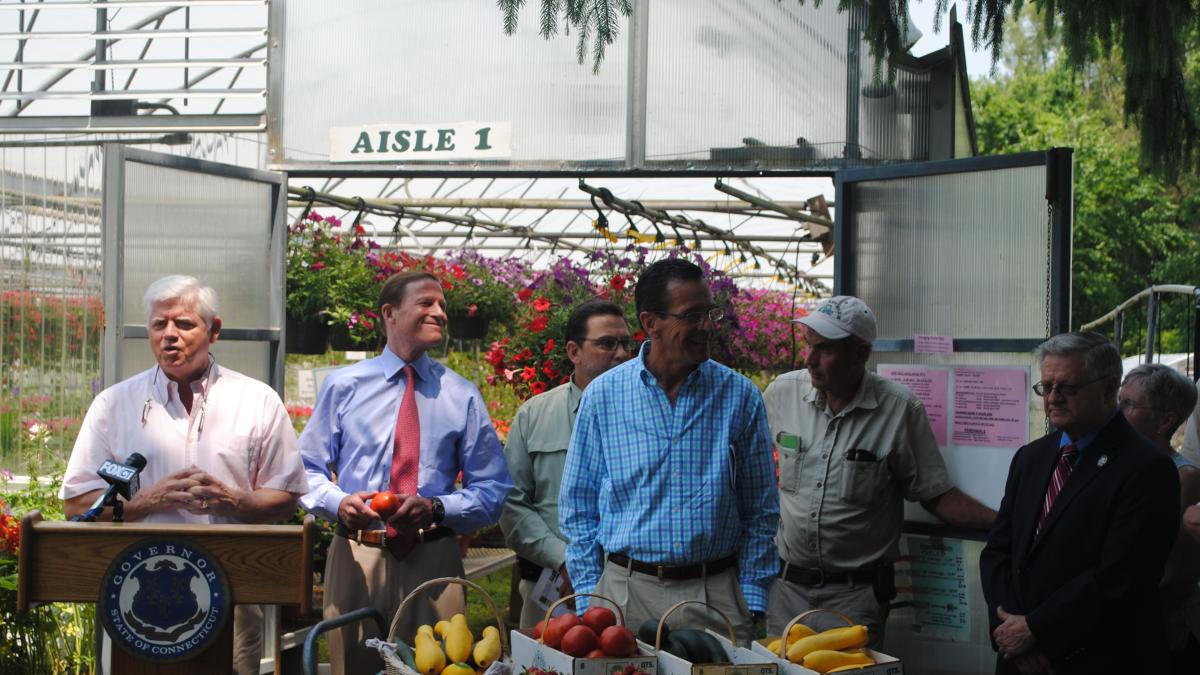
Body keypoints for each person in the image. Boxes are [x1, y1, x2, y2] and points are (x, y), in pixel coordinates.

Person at [61, 275, 310, 675]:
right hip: (134, 599)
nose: (169, 335)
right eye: (159, 325)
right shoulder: (114, 405)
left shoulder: (257, 401)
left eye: (184, 324)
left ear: (214, 331)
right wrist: (145, 504)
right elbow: (76, 504)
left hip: (232, 591)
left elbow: (286, 494)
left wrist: (235, 501)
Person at [299, 270, 511, 675]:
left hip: (434, 561)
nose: (440, 313)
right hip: (357, 558)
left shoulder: (461, 394)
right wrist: (338, 502)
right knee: (355, 667)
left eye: (443, 306)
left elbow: (493, 490)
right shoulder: (344, 386)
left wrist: (437, 508)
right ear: (390, 313)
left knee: (443, 668)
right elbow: (304, 470)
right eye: (427, 303)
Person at [559, 258, 779, 643]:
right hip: (625, 593)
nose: (707, 326)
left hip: (716, 595)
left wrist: (751, 596)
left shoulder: (739, 396)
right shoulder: (605, 397)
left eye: (710, 313)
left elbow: (761, 508)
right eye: (692, 315)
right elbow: (578, 507)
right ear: (650, 323)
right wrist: (591, 598)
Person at [763, 295, 995, 646]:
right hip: (786, 589)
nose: (809, 359)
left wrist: (1008, 522)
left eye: (824, 350)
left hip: (855, 598)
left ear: (860, 354)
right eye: (809, 346)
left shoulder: (899, 408)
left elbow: (936, 495)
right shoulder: (782, 393)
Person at [980, 332, 1180, 674]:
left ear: (1107, 389)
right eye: (1046, 387)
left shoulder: (1147, 468)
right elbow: (999, 552)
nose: (1053, 398)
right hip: (1019, 657)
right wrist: (1010, 633)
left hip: (1095, 658)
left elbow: (1121, 576)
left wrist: (1036, 630)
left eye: (1067, 387)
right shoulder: (1031, 458)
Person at [500, 300, 633, 629]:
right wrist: (562, 558)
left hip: (631, 584)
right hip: (552, 584)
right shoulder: (535, 415)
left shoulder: (647, 416)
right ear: (574, 352)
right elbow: (511, 501)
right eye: (607, 343)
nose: (621, 354)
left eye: (627, 343)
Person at [1118, 364, 1200, 670]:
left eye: (1128, 404)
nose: (1117, 411)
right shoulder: (1118, 463)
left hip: (1157, 631)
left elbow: (1179, 575)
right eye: (1119, 400)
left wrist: (1131, 628)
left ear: (1165, 421)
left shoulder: (1184, 476)